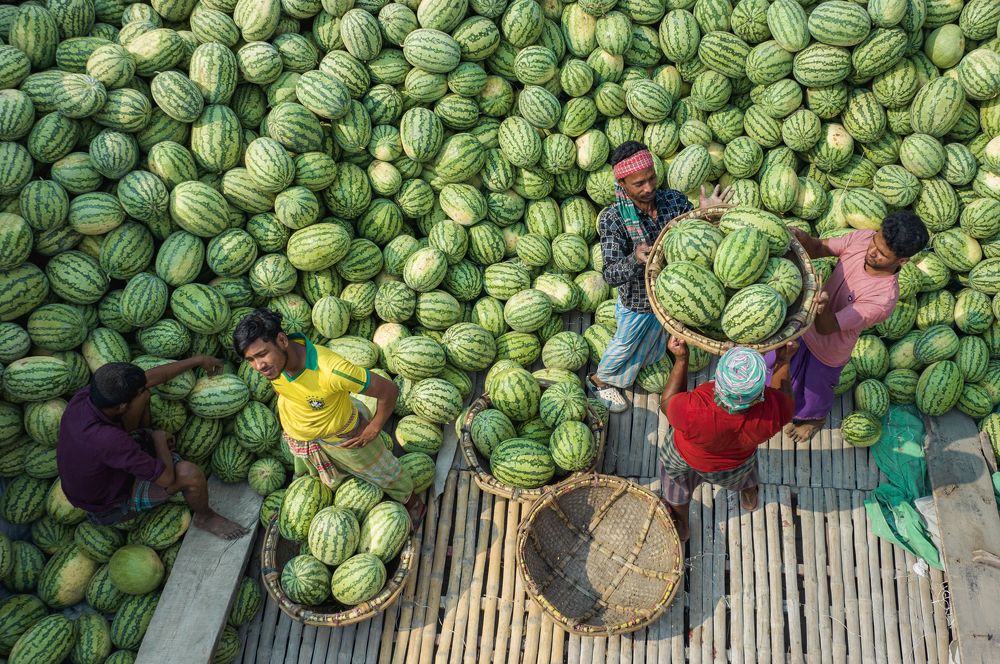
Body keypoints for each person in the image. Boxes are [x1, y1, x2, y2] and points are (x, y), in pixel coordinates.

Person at [232, 308, 425, 524]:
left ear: (282, 340)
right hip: (303, 439)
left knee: (386, 474)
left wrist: (374, 428)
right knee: (315, 479)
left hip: (343, 437)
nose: (259, 366)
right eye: (250, 359)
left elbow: (389, 391)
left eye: (261, 354)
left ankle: (413, 502)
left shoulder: (332, 371)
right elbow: (283, 389)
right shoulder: (276, 366)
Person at [589, 140, 733, 413]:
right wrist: (635, 258)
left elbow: (691, 235)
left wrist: (705, 213)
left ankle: (630, 373)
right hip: (639, 302)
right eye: (639, 183)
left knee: (650, 348)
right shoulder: (613, 218)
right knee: (625, 344)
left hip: (672, 296)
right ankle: (600, 380)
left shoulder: (673, 200)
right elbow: (609, 273)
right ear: (622, 183)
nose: (649, 188)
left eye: (652, 178)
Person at [765, 211, 929, 443]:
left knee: (814, 391)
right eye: (875, 241)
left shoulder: (883, 299)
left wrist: (821, 306)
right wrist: (805, 240)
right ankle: (776, 403)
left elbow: (827, 328)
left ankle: (815, 419)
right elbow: (822, 248)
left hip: (829, 348)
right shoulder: (863, 239)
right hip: (802, 324)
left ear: (902, 261)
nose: (872, 251)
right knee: (776, 370)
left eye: (882, 254)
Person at [57, 358, 247, 539]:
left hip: (98, 478)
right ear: (122, 406)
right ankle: (206, 518)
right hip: (108, 506)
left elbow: (150, 379)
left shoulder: (86, 398)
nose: (145, 390)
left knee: (144, 397)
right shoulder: (109, 440)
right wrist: (158, 439)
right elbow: (167, 479)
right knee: (189, 474)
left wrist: (198, 360)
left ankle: (145, 441)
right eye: (139, 390)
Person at [658, 339, 798, 542]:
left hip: (682, 456)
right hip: (732, 467)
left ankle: (683, 527)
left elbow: (667, 403)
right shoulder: (773, 413)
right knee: (745, 477)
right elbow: (783, 396)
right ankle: (749, 496)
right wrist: (784, 360)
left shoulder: (692, 409)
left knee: (676, 489)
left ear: (717, 381)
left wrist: (681, 359)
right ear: (760, 394)